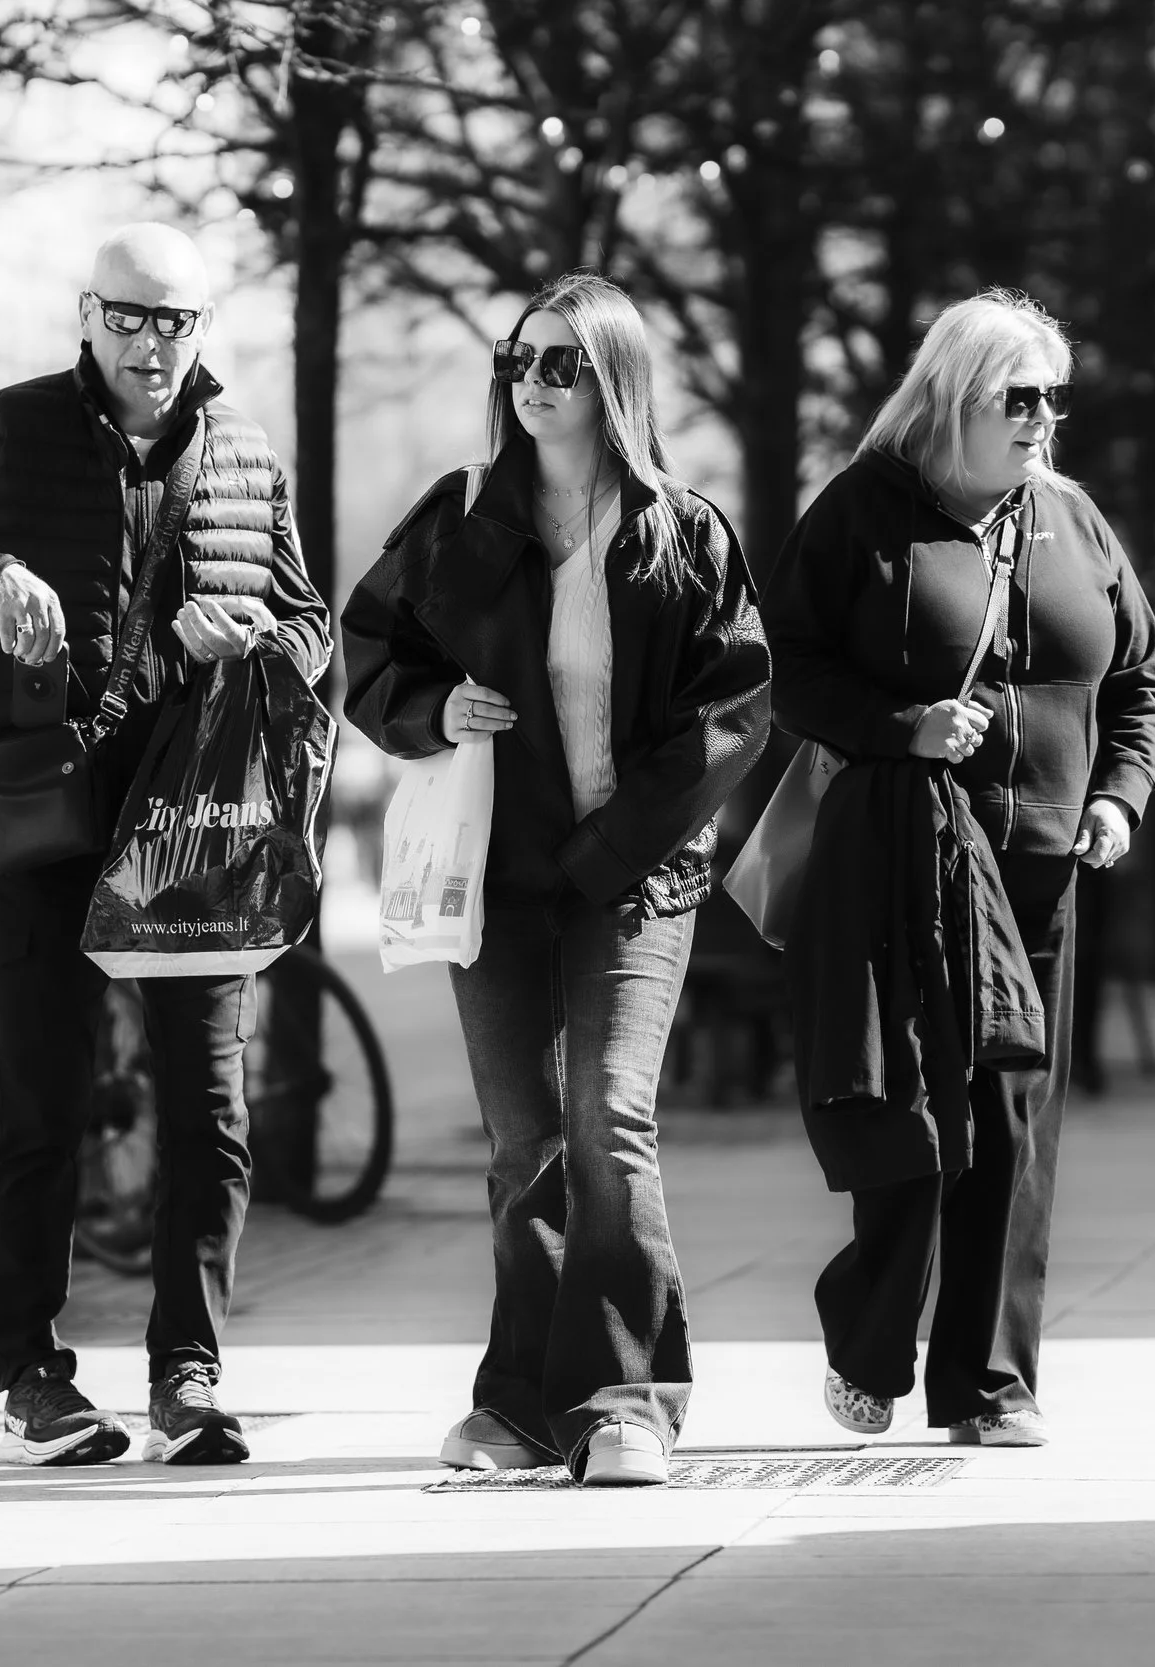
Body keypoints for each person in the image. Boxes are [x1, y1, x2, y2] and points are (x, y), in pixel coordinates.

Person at [0, 223, 330, 1465]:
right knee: (40, 1102)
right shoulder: (11, 425)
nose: (153, 345)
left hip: (194, 826)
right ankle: (33, 1379)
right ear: (88, 314)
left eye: (178, 321)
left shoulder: (247, 453)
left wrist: (253, 634)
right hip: (51, 815)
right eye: (130, 316)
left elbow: (314, 632)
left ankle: (189, 1371)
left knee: (207, 1110)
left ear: (203, 328)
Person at [344, 272, 770, 1486]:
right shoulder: (461, 512)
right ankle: (528, 1404)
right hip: (497, 874)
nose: (532, 382)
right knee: (525, 1140)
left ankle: (624, 1397)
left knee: (609, 1122)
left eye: (560, 364)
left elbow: (731, 710)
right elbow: (371, 651)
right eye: (518, 361)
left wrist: (616, 846)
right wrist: (433, 706)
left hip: (631, 879)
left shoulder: (683, 531)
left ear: (613, 378)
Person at [761, 290, 1155, 1448]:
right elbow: (781, 666)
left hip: (1041, 875)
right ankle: (871, 1324)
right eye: (1018, 397)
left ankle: (989, 1383)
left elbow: (1136, 679)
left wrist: (1118, 798)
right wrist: (902, 727)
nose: (1041, 420)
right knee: (915, 1121)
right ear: (951, 398)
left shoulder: (1073, 521)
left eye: (1053, 398)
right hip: (905, 858)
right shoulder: (862, 515)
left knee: (1013, 1122)